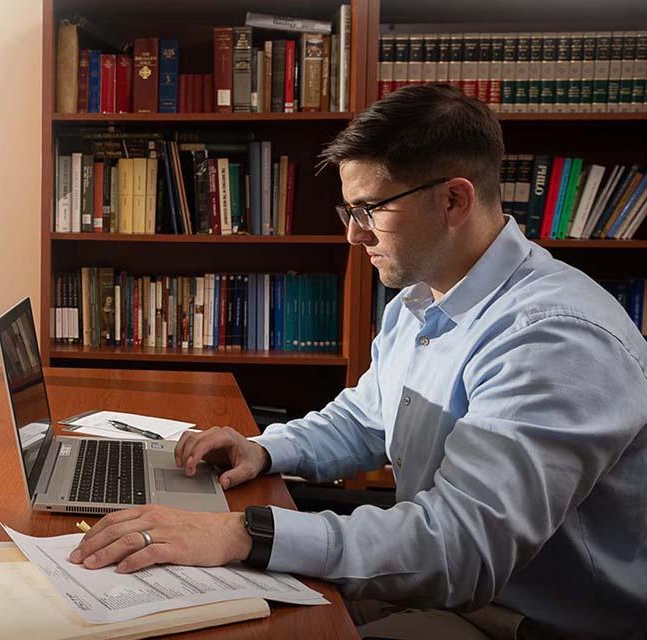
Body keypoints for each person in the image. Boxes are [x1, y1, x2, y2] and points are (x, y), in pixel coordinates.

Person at [69, 84, 647, 640]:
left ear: (454, 199)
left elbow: (462, 547)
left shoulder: (553, 340)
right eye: (348, 209)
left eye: (369, 209)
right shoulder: (423, 298)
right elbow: (366, 417)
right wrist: (267, 448)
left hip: (521, 617)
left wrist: (245, 532)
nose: (352, 235)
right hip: (444, 583)